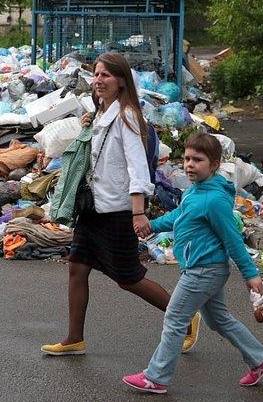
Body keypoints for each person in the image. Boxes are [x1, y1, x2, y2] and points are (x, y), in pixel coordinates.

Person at [41, 52, 200, 356]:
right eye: (97, 74)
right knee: (76, 267)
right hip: (93, 209)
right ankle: (74, 337)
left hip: (117, 210)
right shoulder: (101, 114)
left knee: (129, 278)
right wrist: (88, 125)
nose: (99, 80)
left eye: (106, 75)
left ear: (121, 81)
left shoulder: (127, 117)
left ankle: (185, 315)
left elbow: (137, 167)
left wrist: (138, 212)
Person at [122, 132, 263, 394]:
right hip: (203, 268)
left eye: (198, 160)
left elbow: (233, 240)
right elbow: (180, 217)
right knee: (218, 320)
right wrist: (150, 226)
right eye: (187, 159)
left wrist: (251, 274)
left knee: (175, 318)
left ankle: (156, 377)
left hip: (204, 270)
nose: (189, 164)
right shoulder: (195, 192)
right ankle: (261, 359)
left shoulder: (214, 200)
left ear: (214, 164)